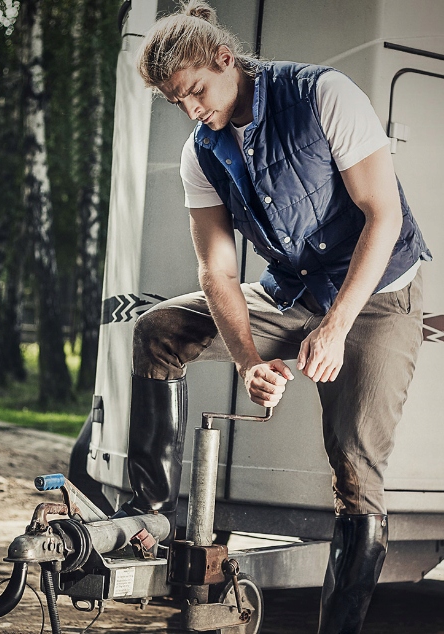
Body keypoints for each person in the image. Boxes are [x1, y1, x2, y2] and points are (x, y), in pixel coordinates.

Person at [116, 2, 431, 633]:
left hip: (377, 295)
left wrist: (336, 327)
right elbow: (218, 274)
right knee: (159, 330)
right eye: (178, 102)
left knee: (354, 468)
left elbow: (383, 216)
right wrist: (250, 363)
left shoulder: (323, 95)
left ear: (225, 59)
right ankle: (148, 516)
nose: (193, 110)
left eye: (197, 91)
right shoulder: (200, 153)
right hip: (292, 293)